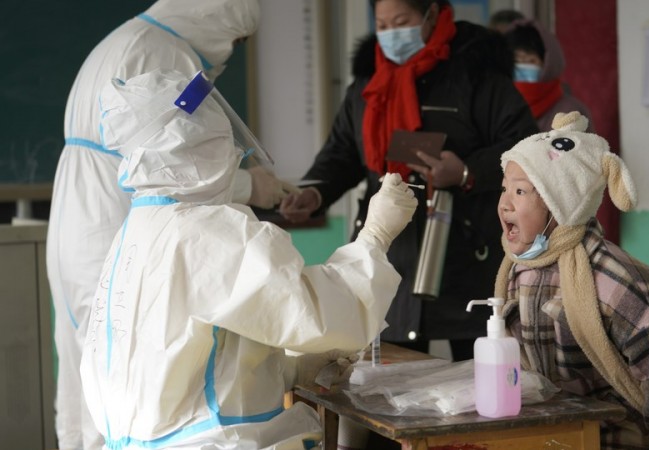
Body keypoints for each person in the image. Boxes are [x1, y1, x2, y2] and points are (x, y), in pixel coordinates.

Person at [80, 68, 417, 450]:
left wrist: (290, 367)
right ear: (194, 142)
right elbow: (317, 313)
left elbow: (196, 349)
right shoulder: (204, 230)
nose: (232, 152)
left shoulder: (138, 229)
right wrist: (374, 238)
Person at [45, 2, 297, 449]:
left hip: (81, 222)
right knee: (129, 377)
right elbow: (180, 161)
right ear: (215, 15)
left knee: (92, 371)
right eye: (236, 40)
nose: (231, 52)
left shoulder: (129, 38)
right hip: (114, 217)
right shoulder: (165, 54)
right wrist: (250, 186)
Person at [280, 0, 538, 363]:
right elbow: (342, 153)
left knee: (480, 379)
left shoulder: (478, 76)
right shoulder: (368, 86)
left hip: (464, 254)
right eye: (382, 25)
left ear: (431, 14)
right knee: (387, 387)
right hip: (390, 260)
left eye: (401, 22)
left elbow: (525, 148)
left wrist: (466, 171)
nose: (390, 34)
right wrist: (315, 191)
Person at [494, 111, 649, 449]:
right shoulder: (518, 272)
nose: (504, 204)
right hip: (560, 439)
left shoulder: (618, 285)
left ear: (559, 203)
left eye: (520, 192)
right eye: (504, 188)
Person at [504, 19, 595, 132]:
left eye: (531, 61)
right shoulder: (498, 109)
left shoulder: (572, 111)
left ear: (548, 65)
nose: (522, 67)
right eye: (516, 62)